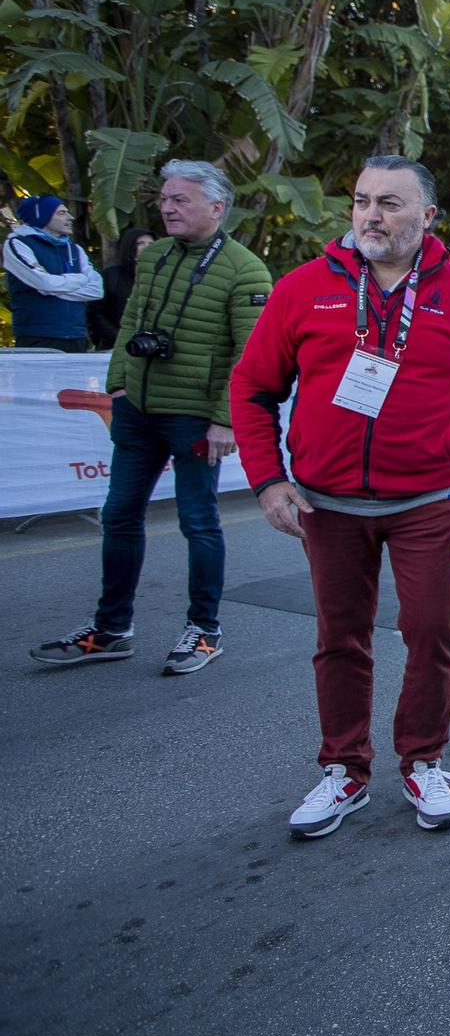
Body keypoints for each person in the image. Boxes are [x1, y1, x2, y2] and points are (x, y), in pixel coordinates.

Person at [231, 156, 450, 839]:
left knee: (430, 626)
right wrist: (268, 479)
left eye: (389, 202)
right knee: (340, 636)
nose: (370, 215)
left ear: (428, 217)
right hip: (327, 504)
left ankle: (423, 758)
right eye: (360, 200)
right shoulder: (304, 288)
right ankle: (344, 770)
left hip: (427, 500)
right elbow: (252, 388)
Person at [29, 162, 270, 672]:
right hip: (137, 409)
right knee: (118, 515)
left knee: (198, 521)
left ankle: (204, 631)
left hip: (195, 418)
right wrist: (117, 384)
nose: (167, 207)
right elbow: (133, 321)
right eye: (165, 198)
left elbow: (250, 356)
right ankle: (112, 628)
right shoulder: (155, 255)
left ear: (217, 207)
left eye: (181, 200)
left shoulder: (246, 269)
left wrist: (226, 420)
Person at [5, 195, 102, 350]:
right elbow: (44, 283)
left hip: (76, 335)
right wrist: (81, 279)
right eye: (61, 213)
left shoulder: (74, 249)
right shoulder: (17, 244)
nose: (70, 217)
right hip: (37, 336)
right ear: (42, 216)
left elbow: (97, 290)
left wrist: (52, 288)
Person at [89, 227, 154, 349]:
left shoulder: (160, 276)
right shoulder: (111, 275)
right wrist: (118, 337)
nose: (147, 247)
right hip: (114, 345)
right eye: (141, 243)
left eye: (151, 243)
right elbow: (96, 313)